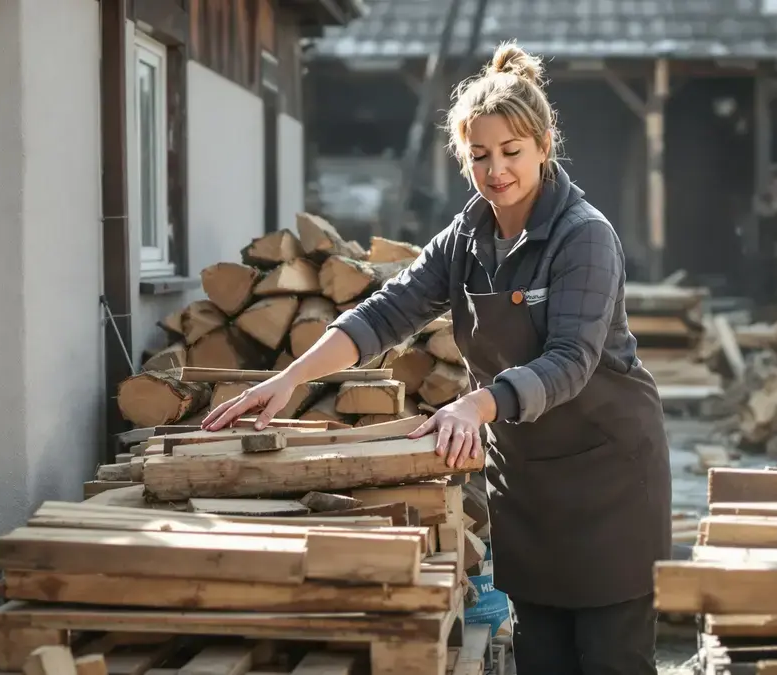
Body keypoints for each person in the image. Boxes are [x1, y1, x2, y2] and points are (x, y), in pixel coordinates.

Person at [202, 40, 672, 675]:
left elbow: (570, 360)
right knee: (542, 655)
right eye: (479, 156)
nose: (496, 171)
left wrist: (476, 404)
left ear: (543, 146)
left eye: (511, 153)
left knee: (611, 659)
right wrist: (289, 379)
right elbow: (385, 312)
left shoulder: (584, 236)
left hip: (609, 476)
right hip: (529, 480)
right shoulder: (467, 237)